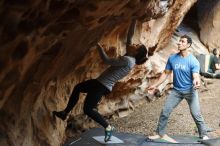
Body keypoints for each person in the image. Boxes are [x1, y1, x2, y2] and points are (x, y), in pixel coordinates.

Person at [53, 42, 148, 142]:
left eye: (137, 45)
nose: (134, 44)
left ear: (136, 51)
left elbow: (107, 60)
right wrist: (132, 25)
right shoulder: (130, 60)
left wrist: (99, 46)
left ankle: (108, 127)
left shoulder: (127, 60)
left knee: (88, 109)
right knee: (78, 88)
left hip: (102, 85)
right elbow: (129, 40)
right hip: (100, 83)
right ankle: (65, 113)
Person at [147, 35, 209, 143]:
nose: (179, 43)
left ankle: (203, 134)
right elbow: (166, 73)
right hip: (176, 91)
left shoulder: (193, 61)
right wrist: (155, 85)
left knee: (196, 114)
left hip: (190, 91)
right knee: (165, 111)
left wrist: (196, 81)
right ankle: (159, 133)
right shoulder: (172, 58)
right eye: (179, 41)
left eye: (182, 41)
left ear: (188, 45)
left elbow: (195, 76)